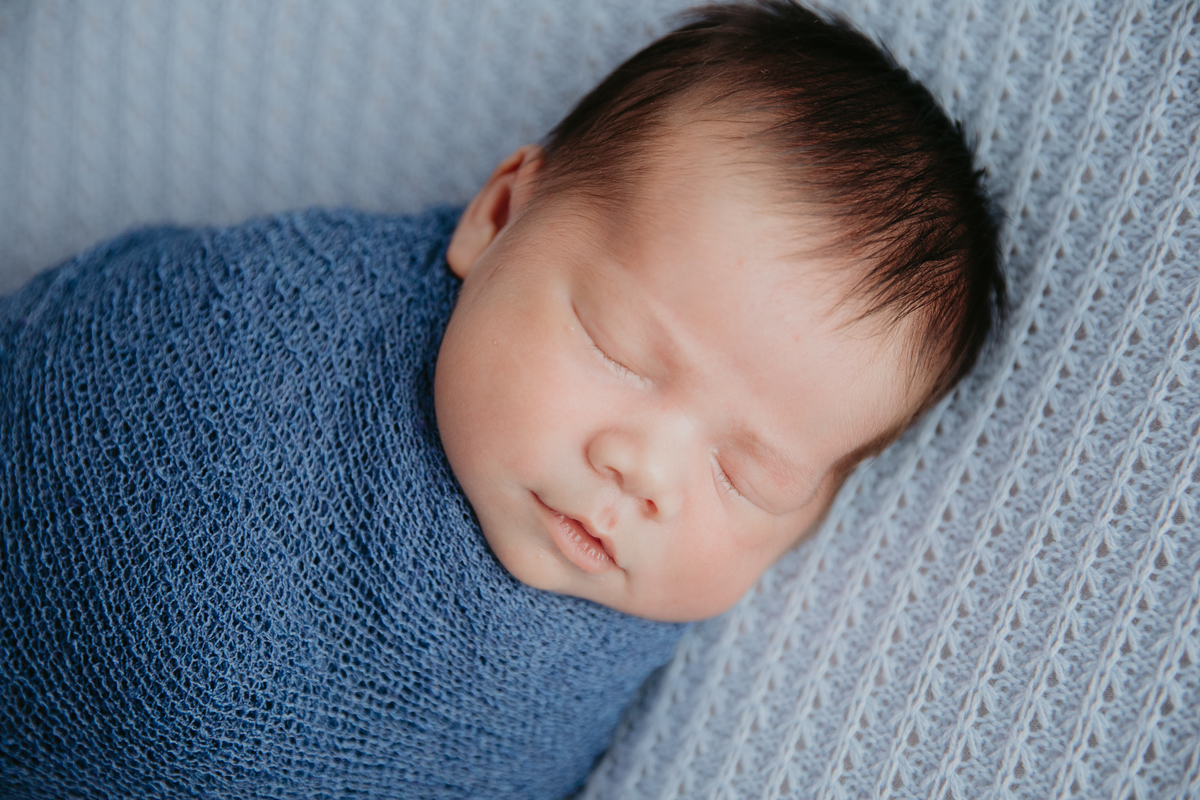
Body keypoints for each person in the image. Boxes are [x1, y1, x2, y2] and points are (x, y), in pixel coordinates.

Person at [0, 2, 1003, 798]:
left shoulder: (599, 671)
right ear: (499, 215)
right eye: (620, 349)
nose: (643, 468)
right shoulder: (259, 334)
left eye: (749, 475)